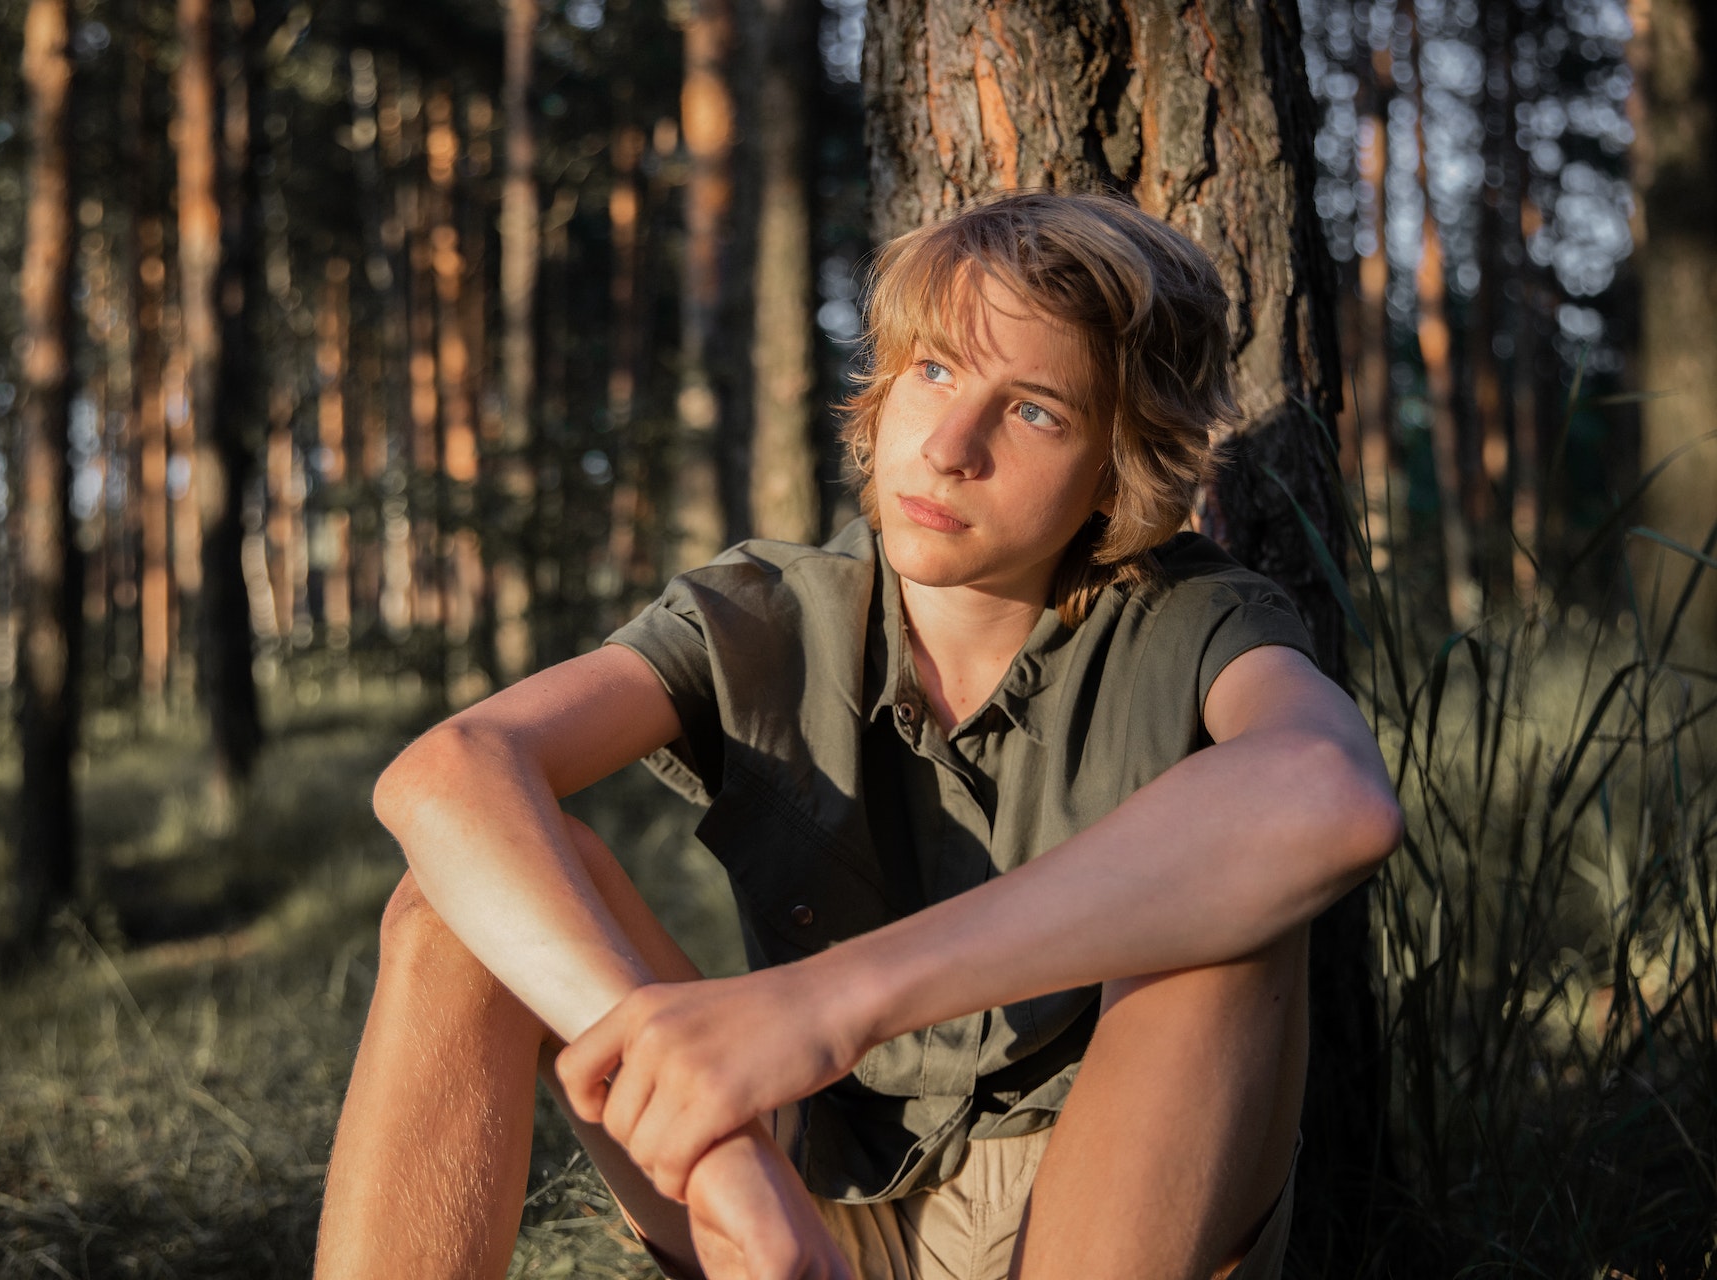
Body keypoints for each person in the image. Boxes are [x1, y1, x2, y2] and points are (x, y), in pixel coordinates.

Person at [314, 190, 1402, 1280]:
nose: (950, 445)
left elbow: (1330, 796)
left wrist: (824, 1005)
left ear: (1117, 465)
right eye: (933, 370)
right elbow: (449, 770)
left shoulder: (1192, 620)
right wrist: (714, 1130)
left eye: (1033, 411)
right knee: (450, 906)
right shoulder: (767, 609)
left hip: (1105, 1203)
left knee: (1223, 913)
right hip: (801, 1213)